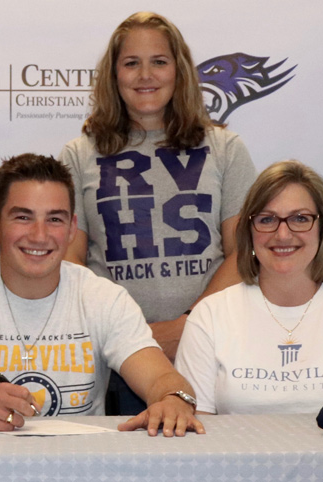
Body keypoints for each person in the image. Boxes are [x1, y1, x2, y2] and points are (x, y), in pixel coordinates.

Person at [0, 154, 204, 437]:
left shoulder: (104, 298)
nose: (39, 235)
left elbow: (163, 379)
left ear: (73, 228)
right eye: (23, 216)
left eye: (55, 219)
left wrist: (174, 402)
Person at [58, 11, 257, 415]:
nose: (145, 74)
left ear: (179, 70)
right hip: (114, 357)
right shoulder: (79, 155)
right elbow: (70, 260)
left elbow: (245, 252)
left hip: (208, 344)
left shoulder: (224, 148)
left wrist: (188, 325)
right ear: (113, 75)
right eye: (131, 63)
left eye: (159, 61)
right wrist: (126, 336)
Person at [174, 160, 323, 414]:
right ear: (249, 231)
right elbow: (196, 430)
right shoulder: (209, 316)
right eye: (267, 219)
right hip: (237, 455)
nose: (282, 234)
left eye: (300, 218)